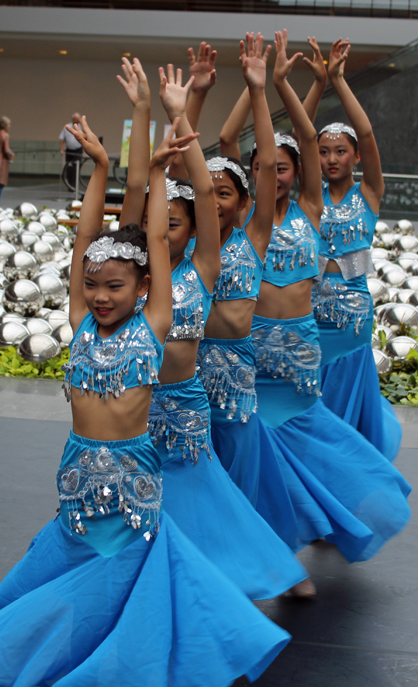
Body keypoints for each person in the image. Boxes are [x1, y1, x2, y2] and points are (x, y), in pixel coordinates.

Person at [0, 112, 291, 687]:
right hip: (78, 488)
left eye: (116, 286)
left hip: (135, 488)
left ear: (143, 289)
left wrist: (158, 173)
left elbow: (157, 238)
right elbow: (85, 240)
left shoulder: (153, 327)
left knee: (131, 590)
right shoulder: (81, 323)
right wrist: (100, 169)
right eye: (93, 285)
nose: (101, 296)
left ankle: (131, 666)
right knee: (56, 586)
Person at [214, 32, 411, 579]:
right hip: (257, 351)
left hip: (309, 345)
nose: (275, 174)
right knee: (261, 458)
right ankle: (270, 549)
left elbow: (311, 134)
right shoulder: (251, 222)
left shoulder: (311, 207)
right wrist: (259, 86)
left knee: (311, 447)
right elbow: (230, 139)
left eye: (285, 166)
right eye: (265, 168)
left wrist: (293, 83)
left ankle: (317, 522)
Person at [117, 52, 308, 601]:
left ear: (246, 202)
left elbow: (263, 164)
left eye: (230, 194)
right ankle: (187, 577)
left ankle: (264, 565)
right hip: (184, 383)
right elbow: (167, 180)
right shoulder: (163, 264)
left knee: (242, 486)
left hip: (236, 380)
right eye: (213, 194)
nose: (218, 202)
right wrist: (180, 107)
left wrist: (257, 87)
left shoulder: (248, 241)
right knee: (194, 491)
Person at [308, 38, 402, 461]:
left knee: (344, 404)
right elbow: (297, 137)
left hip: (351, 314)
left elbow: (365, 129)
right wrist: (315, 86)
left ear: (356, 156)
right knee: (311, 401)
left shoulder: (370, 193)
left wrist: (340, 81)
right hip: (309, 312)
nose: (331, 158)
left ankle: (346, 468)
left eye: (340, 152)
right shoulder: (310, 198)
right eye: (323, 151)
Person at [60, 112, 83, 188]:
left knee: (75, 168)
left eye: (77, 119)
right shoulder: (67, 126)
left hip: (78, 150)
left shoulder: (81, 127)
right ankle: (69, 184)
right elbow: (62, 138)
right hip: (69, 150)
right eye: (75, 119)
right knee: (69, 167)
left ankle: (74, 185)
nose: (76, 120)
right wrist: (61, 149)